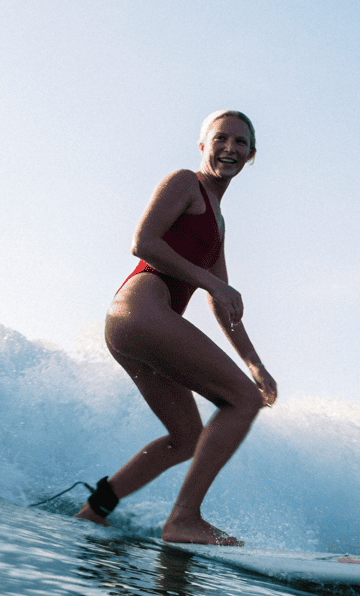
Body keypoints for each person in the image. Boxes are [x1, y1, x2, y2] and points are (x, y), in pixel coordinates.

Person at [76, 110, 277, 545]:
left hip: (134, 326)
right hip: (141, 308)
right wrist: (212, 282)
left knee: (186, 437)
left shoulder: (218, 223)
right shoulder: (186, 183)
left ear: (251, 155)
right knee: (242, 400)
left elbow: (222, 301)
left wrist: (255, 364)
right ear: (203, 146)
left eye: (240, 142)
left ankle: (94, 510)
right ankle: (184, 518)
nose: (230, 148)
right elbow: (143, 242)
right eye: (220, 138)